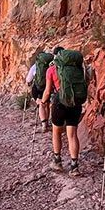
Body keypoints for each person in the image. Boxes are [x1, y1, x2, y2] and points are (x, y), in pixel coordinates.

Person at [41, 45, 84, 174]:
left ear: (55, 56)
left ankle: (57, 161)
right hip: (75, 102)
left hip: (60, 101)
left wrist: (43, 102)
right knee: (72, 134)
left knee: (56, 132)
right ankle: (74, 166)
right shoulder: (78, 69)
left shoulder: (52, 70)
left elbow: (48, 91)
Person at [25, 54, 49, 133]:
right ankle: (47, 122)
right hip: (48, 88)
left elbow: (28, 79)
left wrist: (28, 83)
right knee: (47, 104)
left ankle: (44, 124)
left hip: (37, 89)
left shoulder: (35, 66)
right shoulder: (51, 65)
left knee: (40, 104)